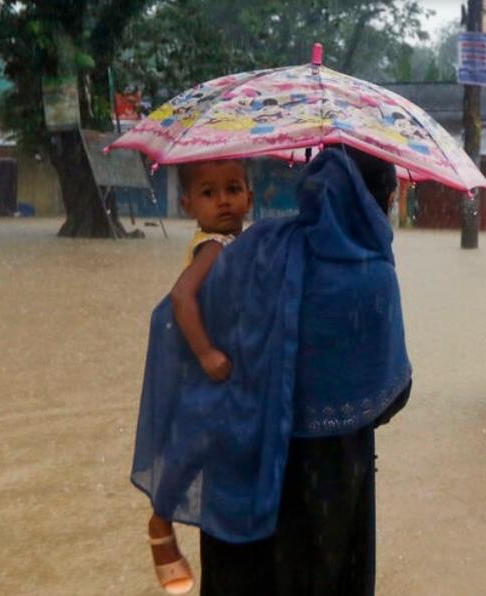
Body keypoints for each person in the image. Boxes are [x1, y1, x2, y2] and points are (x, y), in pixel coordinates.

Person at [131, 146, 412, 595]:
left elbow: (179, 318)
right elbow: (391, 396)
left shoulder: (256, 246)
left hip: (244, 460)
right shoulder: (374, 277)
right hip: (331, 482)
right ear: (374, 201)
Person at [139, 159, 254, 594]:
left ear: (250, 196)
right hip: (203, 362)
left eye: (233, 188)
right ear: (187, 204)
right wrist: (205, 351)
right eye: (208, 193)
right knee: (193, 442)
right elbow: (181, 296)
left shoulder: (239, 241)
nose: (223, 200)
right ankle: (160, 522)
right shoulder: (215, 246)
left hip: (218, 358)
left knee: (198, 442)